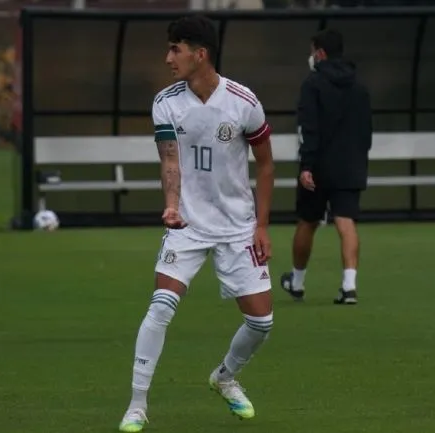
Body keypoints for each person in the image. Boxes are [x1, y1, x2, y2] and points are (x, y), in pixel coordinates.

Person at [118, 15, 275, 433]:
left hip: (237, 226)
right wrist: (172, 206)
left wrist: (261, 226)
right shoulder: (166, 102)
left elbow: (266, 165)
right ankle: (137, 406)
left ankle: (224, 377)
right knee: (161, 306)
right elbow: (170, 159)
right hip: (187, 225)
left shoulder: (243, 102)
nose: (168, 57)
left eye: (176, 49)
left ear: (199, 54)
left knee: (261, 322)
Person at [280, 28, 372, 305]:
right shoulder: (360, 86)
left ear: (320, 53)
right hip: (350, 165)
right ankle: (349, 286)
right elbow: (366, 130)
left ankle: (296, 282)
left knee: (308, 221)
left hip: (319, 165)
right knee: (346, 221)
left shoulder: (313, 84)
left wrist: (307, 165)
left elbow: (309, 128)